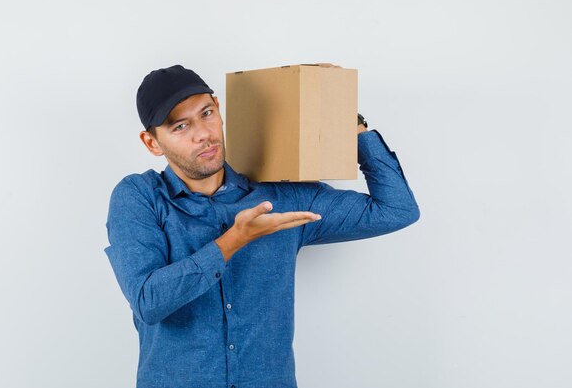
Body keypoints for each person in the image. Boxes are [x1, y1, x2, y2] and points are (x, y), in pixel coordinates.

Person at [104, 64, 420, 388]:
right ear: (152, 143)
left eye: (207, 113)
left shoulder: (281, 198)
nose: (203, 133)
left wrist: (353, 126)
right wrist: (235, 239)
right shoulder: (139, 197)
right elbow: (148, 301)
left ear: (219, 109)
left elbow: (397, 210)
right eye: (181, 126)